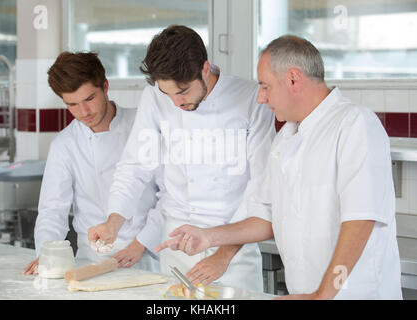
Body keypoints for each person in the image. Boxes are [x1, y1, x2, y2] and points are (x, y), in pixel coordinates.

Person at [156, 35, 403, 300]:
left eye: (265, 86)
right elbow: (264, 217)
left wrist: (323, 295)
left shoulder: (354, 124)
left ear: (294, 79)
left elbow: (360, 220)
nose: (261, 98)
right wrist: (209, 237)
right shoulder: (285, 140)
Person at [88, 25, 276, 292]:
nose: (176, 103)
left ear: (205, 68)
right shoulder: (155, 96)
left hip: (233, 251)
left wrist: (222, 256)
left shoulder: (250, 99)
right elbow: (135, 165)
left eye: (184, 91)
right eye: (169, 94)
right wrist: (113, 221)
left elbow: (261, 189)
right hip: (175, 248)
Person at [23, 52, 162, 275]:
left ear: (105, 86)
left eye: (89, 99)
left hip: (149, 256)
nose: (83, 112)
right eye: (72, 104)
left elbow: (168, 195)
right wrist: (46, 255)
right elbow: (52, 211)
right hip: (91, 263)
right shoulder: (64, 145)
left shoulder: (142, 125)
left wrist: (141, 244)